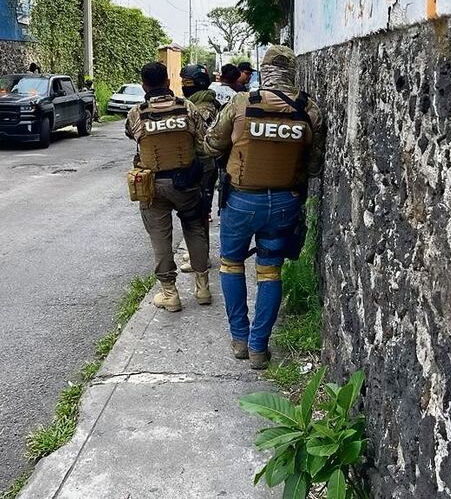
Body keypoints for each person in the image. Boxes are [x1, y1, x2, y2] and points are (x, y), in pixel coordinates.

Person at [203, 45, 324, 369]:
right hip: (285, 202)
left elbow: (212, 142)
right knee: (270, 270)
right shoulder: (308, 109)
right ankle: (259, 348)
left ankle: (240, 340)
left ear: (264, 71)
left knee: (231, 264)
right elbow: (314, 166)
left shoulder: (241, 103)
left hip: (241, 201)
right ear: (292, 71)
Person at [126, 62, 212, 311]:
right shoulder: (187, 107)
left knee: (160, 238)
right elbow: (203, 141)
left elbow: (132, 135)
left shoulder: (136, 113)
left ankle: (170, 294)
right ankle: (203, 287)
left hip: (152, 186)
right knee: (195, 228)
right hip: (187, 182)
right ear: (167, 81)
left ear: (144, 85)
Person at [178, 63, 222, 274]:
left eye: (187, 83)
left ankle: (201, 257)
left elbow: (197, 135)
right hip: (200, 165)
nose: (184, 87)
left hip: (203, 165)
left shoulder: (203, 106)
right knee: (196, 210)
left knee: (200, 211)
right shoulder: (198, 102)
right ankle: (196, 251)